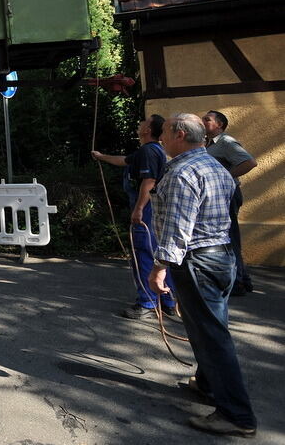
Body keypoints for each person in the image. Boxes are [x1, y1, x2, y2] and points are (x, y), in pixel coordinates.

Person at [148, 113, 256, 438]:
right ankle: (208, 385)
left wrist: (159, 268)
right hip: (221, 259)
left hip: (197, 262)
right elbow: (230, 208)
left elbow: (178, 230)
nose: (161, 138)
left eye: (164, 132)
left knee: (213, 337)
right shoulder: (215, 167)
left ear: (180, 134)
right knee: (210, 329)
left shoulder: (182, 172)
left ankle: (237, 416)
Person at [92, 115, 177, 319]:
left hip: (147, 209)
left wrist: (138, 208)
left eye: (144, 122)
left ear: (148, 130)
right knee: (160, 254)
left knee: (144, 254)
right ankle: (169, 301)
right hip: (157, 209)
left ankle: (147, 302)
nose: (140, 123)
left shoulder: (148, 151)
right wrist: (101, 156)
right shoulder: (152, 150)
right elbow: (124, 160)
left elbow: (149, 181)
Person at [201, 110, 258, 295]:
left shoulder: (226, 142)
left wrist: (224, 176)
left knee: (229, 236)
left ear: (219, 125)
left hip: (228, 195)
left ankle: (238, 283)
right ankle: (244, 280)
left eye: (207, 119)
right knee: (229, 235)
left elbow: (249, 162)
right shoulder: (207, 144)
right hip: (220, 196)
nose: (203, 121)